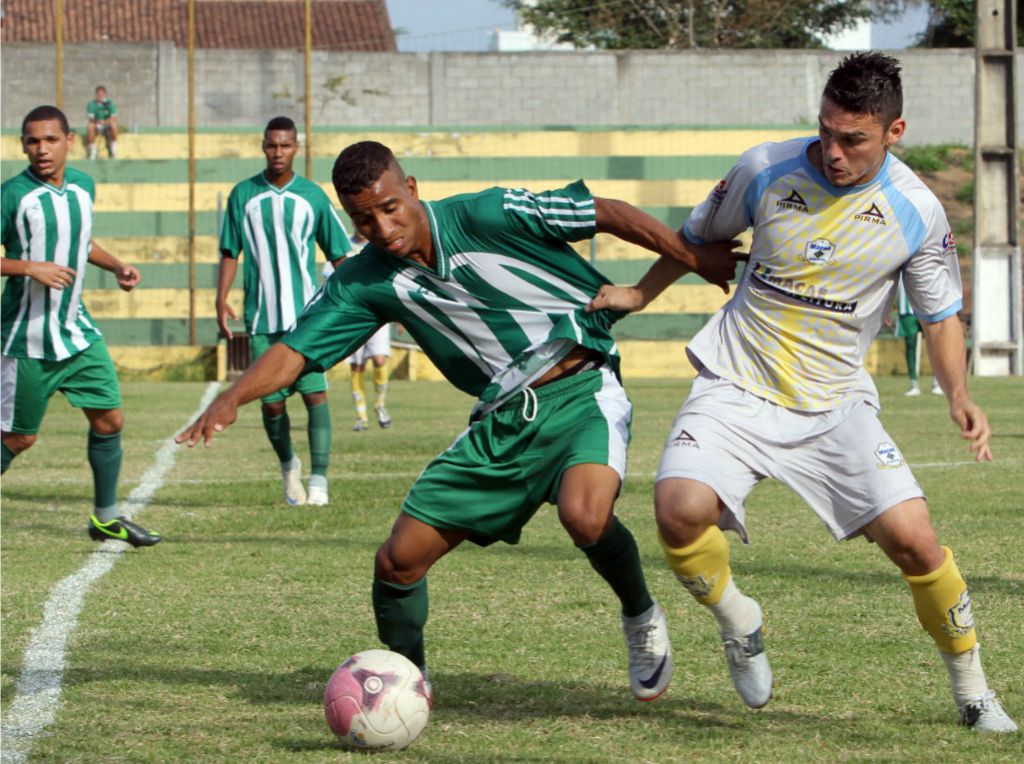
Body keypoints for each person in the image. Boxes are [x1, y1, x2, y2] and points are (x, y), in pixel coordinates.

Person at [180, 140, 744, 701]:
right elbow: (297, 351)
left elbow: (605, 212)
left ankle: (640, 614)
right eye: (362, 218)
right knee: (398, 561)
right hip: (500, 421)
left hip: (579, 386)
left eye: (389, 207)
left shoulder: (485, 213)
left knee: (585, 515)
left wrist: (693, 260)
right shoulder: (363, 279)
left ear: (412, 189)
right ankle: (406, 687)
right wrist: (234, 396)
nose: (381, 227)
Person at [588, 52, 1017, 732]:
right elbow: (697, 239)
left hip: (835, 401)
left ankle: (973, 691)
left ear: (894, 130)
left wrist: (958, 394)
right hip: (739, 379)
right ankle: (740, 620)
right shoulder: (764, 168)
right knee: (677, 511)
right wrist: (640, 292)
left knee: (916, 542)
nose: (834, 151)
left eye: (854, 139)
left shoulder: (916, 213)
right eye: (826, 132)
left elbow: (939, 315)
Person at [1, 105, 159, 547]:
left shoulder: (84, 187)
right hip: (26, 338)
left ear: (70, 141)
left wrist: (117, 266)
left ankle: (106, 518)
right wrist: (28, 267)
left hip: (76, 331)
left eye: (50, 139)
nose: (41, 149)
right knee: (18, 438)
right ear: (23, 146)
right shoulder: (12, 195)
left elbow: (80, 239)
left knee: (109, 419)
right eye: (32, 141)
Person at [217, 116, 351, 507]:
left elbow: (341, 254)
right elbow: (229, 251)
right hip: (261, 319)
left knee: (315, 397)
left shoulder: (312, 196)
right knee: (272, 403)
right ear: (263, 147)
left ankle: (320, 481)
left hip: (305, 320)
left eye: (285, 145)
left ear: (297, 148)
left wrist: (355, 302)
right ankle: (289, 465)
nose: (278, 152)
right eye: (272, 146)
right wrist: (220, 297)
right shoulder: (243, 195)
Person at [896, 274, 942, 396]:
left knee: (934, 344)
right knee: (910, 346)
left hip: (927, 307)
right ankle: (913, 384)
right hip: (906, 310)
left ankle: (937, 382)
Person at [346, 323, 392, 432]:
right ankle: (361, 417)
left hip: (379, 321)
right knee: (357, 367)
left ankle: (379, 405)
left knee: (379, 360)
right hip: (356, 321)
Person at [85, 86, 118, 160]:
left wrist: (105, 122)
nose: (100, 95)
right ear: (96, 94)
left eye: (102, 93)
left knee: (114, 125)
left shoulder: (110, 103)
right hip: (96, 124)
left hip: (107, 124)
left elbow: (114, 117)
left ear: (104, 94)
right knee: (90, 126)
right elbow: (90, 117)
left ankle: (113, 151)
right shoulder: (91, 104)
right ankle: (92, 152)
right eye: (98, 93)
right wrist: (98, 122)